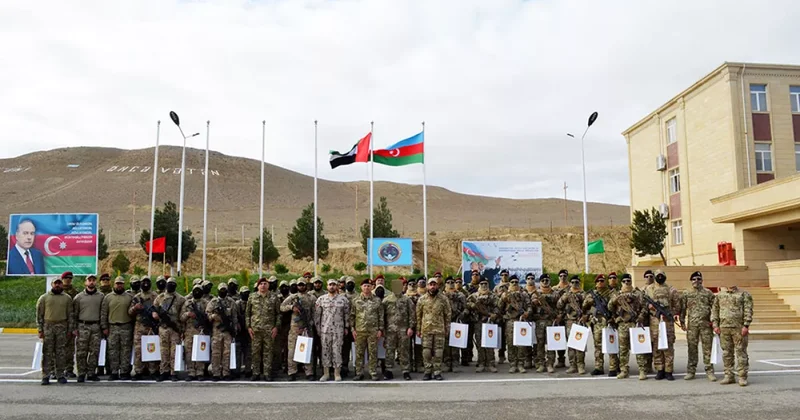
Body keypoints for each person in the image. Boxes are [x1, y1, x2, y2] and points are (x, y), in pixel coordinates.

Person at [608, 274, 648, 380]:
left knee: (639, 348)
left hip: (634, 323)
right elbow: (610, 307)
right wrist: (615, 300)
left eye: (628, 280)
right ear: (621, 282)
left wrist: (640, 317)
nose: (627, 282)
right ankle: (624, 370)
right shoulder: (616, 294)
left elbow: (644, 307)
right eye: (624, 281)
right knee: (623, 349)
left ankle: (642, 370)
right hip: (622, 324)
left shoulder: (637, 293)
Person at [712, 285, 753, 386]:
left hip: (738, 328)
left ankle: (742, 376)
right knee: (727, 353)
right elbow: (715, 310)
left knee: (741, 352)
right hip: (724, 328)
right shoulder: (719, 295)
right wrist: (715, 325)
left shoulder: (744, 294)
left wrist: (746, 325)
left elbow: (748, 310)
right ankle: (728, 375)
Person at [680, 271, 717, 381]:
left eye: (698, 279)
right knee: (692, 349)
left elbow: (715, 308)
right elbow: (683, 309)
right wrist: (682, 322)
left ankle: (710, 371)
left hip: (706, 325)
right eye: (694, 279)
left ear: (702, 280)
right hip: (692, 326)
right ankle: (691, 371)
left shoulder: (708, 293)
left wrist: (714, 322)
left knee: (707, 349)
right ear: (691, 281)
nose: (696, 281)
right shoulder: (687, 293)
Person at [645, 270, 681, 381]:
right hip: (654, 322)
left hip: (667, 322)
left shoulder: (671, 290)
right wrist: (649, 306)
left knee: (668, 346)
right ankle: (660, 369)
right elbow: (643, 303)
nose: (660, 277)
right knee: (656, 346)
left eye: (662, 276)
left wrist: (670, 314)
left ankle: (668, 371)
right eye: (658, 276)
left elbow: (677, 306)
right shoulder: (649, 289)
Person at [36, 277, 73, 385]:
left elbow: (71, 315)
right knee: (47, 352)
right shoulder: (44, 298)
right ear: (52, 284)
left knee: (61, 352)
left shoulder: (67, 298)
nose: (57, 285)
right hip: (48, 327)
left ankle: (60, 375)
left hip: (62, 327)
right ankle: (46, 375)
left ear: (62, 285)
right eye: (55, 283)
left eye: (59, 283)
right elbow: (39, 315)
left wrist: (70, 329)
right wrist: (40, 329)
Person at [280, 278, 317, 381]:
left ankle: (309, 372)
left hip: (307, 327)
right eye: (299, 285)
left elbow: (315, 312)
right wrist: (292, 307)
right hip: (294, 328)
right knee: (292, 351)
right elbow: (282, 307)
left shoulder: (311, 298)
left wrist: (310, 324)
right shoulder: (293, 297)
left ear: (306, 286)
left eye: (303, 285)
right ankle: (292, 372)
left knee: (307, 350)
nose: (301, 286)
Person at [314, 279, 350, 382]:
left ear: (337, 286)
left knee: (337, 351)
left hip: (338, 330)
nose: (332, 287)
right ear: (327, 286)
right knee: (325, 351)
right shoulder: (321, 299)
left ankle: (337, 373)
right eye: (330, 285)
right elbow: (317, 316)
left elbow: (347, 315)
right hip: (325, 330)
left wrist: (346, 327)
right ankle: (326, 373)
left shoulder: (343, 300)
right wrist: (318, 329)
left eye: (334, 285)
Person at [416, 276, 451, 381]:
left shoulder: (443, 299)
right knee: (426, 352)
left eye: (434, 284)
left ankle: (437, 372)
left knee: (439, 352)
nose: (432, 287)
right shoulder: (422, 299)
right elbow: (418, 315)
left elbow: (448, 314)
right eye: (430, 284)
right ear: (427, 286)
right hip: (426, 330)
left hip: (439, 329)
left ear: (437, 286)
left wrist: (447, 327)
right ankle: (427, 371)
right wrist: (418, 329)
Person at [246, 278, 281, 382]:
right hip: (255, 330)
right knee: (255, 352)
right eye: (261, 284)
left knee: (268, 352)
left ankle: (267, 373)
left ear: (268, 286)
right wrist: (248, 327)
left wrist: (276, 327)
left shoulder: (274, 297)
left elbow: (278, 314)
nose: (263, 286)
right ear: (257, 286)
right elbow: (247, 314)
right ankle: (256, 373)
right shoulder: (252, 297)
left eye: (265, 284)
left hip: (269, 330)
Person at [350, 279, 385, 381]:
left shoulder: (377, 300)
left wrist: (380, 330)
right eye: (364, 286)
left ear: (372, 287)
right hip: (360, 331)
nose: (366, 288)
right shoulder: (356, 300)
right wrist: (353, 329)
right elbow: (352, 316)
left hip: (373, 331)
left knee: (373, 352)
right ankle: (359, 372)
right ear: (361, 287)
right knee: (359, 353)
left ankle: (373, 372)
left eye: (369, 286)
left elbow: (381, 316)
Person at [584, 274, 619, 377]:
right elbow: (584, 307)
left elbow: (615, 305)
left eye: (602, 280)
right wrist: (588, 302)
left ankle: (613, 367)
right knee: (598, 346)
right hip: (597, 322)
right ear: (596, 283)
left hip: (608, 322)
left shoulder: (610, 293)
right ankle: (599, 367)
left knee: (611, 344)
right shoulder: (592, 294)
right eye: (598, 281)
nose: (600, 282)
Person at [72, 274, 104, 382]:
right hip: (82, 326)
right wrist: (74, 328)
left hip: (96, 326)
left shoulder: (101, 296)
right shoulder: (79, 297)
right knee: (81, 352)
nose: (91, 282)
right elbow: (74, 314)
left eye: (93, 280)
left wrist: (103, 327)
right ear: (85, 282)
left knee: (94, 352)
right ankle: (81, 373)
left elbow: (103, 313)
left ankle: (91, 373)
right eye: (89, 280)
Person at [152, 277, 185, 381]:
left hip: (175, 329)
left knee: (174, 351)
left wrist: (182, 330)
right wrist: (155, 314)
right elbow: (154, 309)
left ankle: (173, 372)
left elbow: (182, 316)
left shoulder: (180, 299)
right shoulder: (160, 297)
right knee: (163, 351)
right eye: (169, 283)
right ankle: (164, 371)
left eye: (173, 284)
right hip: (163, 328)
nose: (171, 285)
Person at [382, 277, 415, 381]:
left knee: (404, 350)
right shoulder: (386, 300)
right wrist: (382, 329)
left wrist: (411, 327)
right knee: (389, 350)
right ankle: (388, 370)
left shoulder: (406, 300)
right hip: (390, 330)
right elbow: (382, 316)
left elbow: (412, 314)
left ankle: (405, 371)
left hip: (403, 329)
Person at [101, 276, 133, 381]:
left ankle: (124, 372)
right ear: (114, 284)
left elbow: (132, 313)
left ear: (124, 285)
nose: (119, 285)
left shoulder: (129, 297)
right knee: (113, 351)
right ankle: (114, 372)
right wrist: (104, 327)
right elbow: (104, 313)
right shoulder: (108, 297)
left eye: (121, 283)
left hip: (126, 327)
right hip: (113, 327)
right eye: (117, 283)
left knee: (125, 351)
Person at [128, 277, 159, 380]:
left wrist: (156, 314)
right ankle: (138, 371)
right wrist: (135, 308)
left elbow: (160, 309)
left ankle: (152, 371)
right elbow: (130, 312)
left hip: (151, 326)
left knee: (152, 349)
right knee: (138, 350)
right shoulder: (137, 297)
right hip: (140, 326)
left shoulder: (155, 296)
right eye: (143, 282)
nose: (145, 284)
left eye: (147, 282)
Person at [556, 275, 588, 375]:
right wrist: (563, 298)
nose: (575, 284)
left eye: (576, 282)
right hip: (569, 321)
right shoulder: (566, 294)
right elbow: (559, 305)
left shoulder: (583, 294)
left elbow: (590, 307)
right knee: (571, 345)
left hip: (579, 321)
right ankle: (572, 365)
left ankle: (580, 365)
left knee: (580, 345)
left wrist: (586, 316)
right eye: (573, 282)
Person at [207, 283, 239, 381]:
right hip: (217, 331)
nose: (223, 291)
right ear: (218, 290)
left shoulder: (231, 302)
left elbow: (234, 317)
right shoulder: (213, 302)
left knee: (227, 353)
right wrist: (213, 316)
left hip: (227, 331)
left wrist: (234, 329)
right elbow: (207, 314)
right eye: (221, 289)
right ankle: (216, 373)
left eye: (225, 289)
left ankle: (226, 373)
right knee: (216, 353)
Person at [498, 275, 530, 373]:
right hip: (510, 321)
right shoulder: (505, 294)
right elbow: (499, 308)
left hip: (521, 321)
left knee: (521, 344)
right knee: (510, 343)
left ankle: (521, 364)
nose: (514, 283)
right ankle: (512, 364)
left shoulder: (523, 294)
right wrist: (503, 299)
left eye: (516, 282)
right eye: (512, 282)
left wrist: (527, 313)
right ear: (509, 283)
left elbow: (529, 306)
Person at [467, 277, 499, 373]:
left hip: (489, 322)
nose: (484, 286)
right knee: (480, 343)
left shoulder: (492, 296)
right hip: (478, 323)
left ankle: (491, 363)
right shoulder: (474, 296)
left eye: (485, 284)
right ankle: (481, 363)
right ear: (479, 285)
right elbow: (466, 304)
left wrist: (494, 314)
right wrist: (471, 306)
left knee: (490, 343)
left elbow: (498, 306)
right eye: (482, 284)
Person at [180, 283, 210, 382]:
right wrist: (188, 314)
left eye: (199, 290)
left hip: (201, 331)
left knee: (200, 351)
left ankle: (200, 372)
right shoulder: (187, 303)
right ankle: (191, 372)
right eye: (195, 290)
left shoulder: (206, 303)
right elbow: (181, 317)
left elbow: (208, 317)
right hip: (189, 331)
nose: (197, 292)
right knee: (189, 352)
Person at [531, 274, 558, 373]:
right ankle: (541, 363)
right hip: (539, 321)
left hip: (550, 321)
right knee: (540, 344)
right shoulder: (536, 293)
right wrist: (535, 302)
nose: (545, 282)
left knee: (551, 344)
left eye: (547, 280)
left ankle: (550, 363)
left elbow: (558, 306)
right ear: (540, 281)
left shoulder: (554, 293)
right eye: (543, 280)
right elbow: (531, 307)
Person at [443, 276, 468, 373]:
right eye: (448, 282)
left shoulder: (460, 295)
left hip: (456, 321)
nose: (450, 284)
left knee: (456, 343)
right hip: (445, 322)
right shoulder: (442, 296)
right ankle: (447, 363)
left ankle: (455, 363)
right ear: (445, 284)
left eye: (452, 282)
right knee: (445, 344)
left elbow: (466, 308)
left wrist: (462, 314)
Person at [61, 272, 79, 378]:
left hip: (71, 323)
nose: (68, 280)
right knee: (57, 349)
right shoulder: (58, 291)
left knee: (70, 349)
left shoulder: (75, 292)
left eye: (69, 278)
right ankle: (56, 370)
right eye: (66, 278)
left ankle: (69, 369)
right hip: (60, 322)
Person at [552, 269, 570, 368]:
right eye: (561, 276)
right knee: (559, 339)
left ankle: (574, 361)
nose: (563, 277)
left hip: (568, 317)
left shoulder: (571, 288)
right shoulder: (554, 288)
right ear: (559, 277)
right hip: (558, 317)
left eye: (564, 276)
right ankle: (561, 359)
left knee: (570, 339)